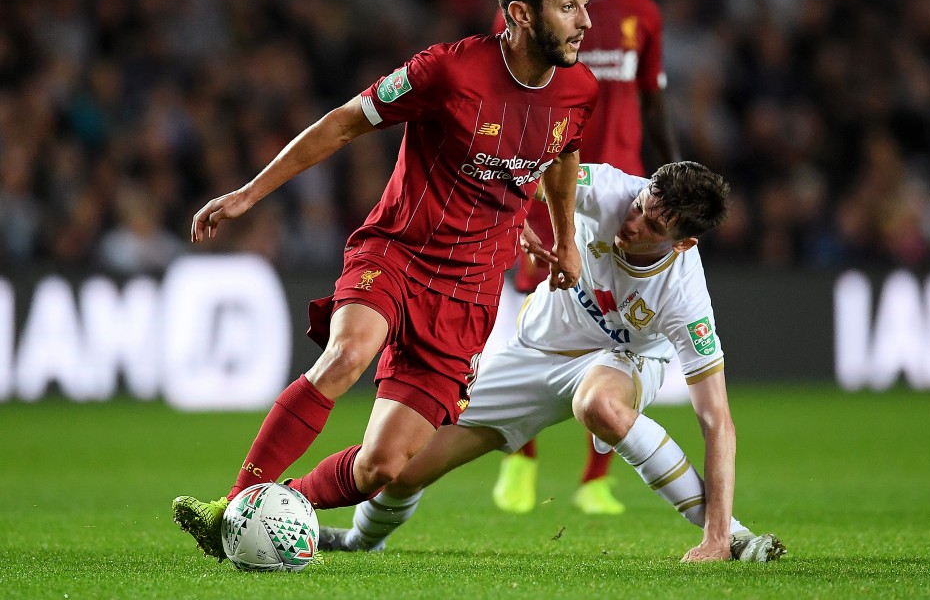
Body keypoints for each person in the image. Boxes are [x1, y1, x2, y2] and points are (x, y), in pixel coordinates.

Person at [171, 0, 599, 561]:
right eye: (568, 6)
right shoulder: (447, 72)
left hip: (471, 292)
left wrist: (564, 240)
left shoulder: (580, 90)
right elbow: (344, 122)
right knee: (347, 355)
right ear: (520, 14)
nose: (585, 22)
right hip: (399, 252)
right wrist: (249, 193)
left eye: (585, 5)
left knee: (383, 467)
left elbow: (562, 155)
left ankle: (277, 508)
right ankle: (235, 505)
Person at [309, 161, 786, 562]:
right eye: (641, 205)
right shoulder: (608, 189)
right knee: (404, 468)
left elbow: (716, 419)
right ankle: (359, 543)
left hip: (623, 359)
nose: (633, 222)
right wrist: (513, 227)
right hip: (534, 350)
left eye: (654, 227)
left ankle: (731, 537)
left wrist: (716, 536)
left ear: (683, 243)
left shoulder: (685, 298)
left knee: (599, 405)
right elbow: (516, 177)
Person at [488, 0, 680, 516]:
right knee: (538, 319)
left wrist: (674, 179)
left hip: (621, 199)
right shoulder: (527, 10)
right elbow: (507, 94)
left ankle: (597, 478)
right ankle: (520, 461)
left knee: (615, 333)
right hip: (550, 187)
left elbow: (654, 105)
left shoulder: (641, 14)